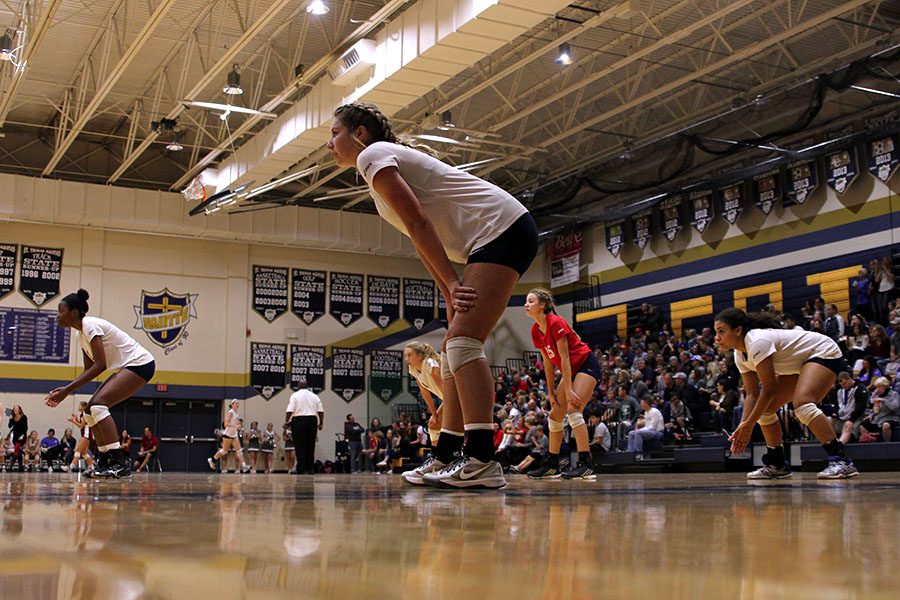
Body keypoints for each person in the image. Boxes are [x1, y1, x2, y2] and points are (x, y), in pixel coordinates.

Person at [329, 101, 538, 489]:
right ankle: (445, 455)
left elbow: (419, 221)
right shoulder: (378, 168)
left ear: (359, 135)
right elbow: (419, 240)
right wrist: (448, 289)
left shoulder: (372, 155)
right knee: (451, 352)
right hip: (494, 236)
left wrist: (453, 282)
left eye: (335, 133)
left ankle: (481, 460)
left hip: (501, 229)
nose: (330, 144)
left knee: (462, 343)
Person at [715, 308, 858, 479]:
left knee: (803, 405)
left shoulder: (757, 341)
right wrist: (743, 425)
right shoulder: (740, 355)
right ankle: (777, 464)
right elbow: (752, 395)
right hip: (800, 363)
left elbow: (769, 391)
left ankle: (841, 462)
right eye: (716, 332)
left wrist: (748, 425)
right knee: (765, 412)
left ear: (738, 330)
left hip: (823, 351)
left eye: (721, 331)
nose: (717, 338)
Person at [45, 289, 156, 479]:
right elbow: (90, 370)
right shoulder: (81, 335)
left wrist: (67, 391)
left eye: (61, 310)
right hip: (126, 367)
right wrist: (66, 389)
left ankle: (120, 463)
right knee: (89, 411)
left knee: (98, 406)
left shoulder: (90, 325)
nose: (58, 315)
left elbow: (101, 365)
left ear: (74, 312)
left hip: (140, 364)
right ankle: (105, 460)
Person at [524, 288, 601, 480]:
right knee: (554, 415)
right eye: (526, 301)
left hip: (585, 365)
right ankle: (552, 465)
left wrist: (567, 389)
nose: (526, 304)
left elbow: (565, 359)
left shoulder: (556, 323)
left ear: (543, 305)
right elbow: (549, 364)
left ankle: (586, 464)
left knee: (573, 409)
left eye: (531, 301)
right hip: (571, 371)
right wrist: (550, 392)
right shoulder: (536, 330)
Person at [400, 342, 447, 484]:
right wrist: (434, 413)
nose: (406, 358)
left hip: (457, 396)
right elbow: (424, 392)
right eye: (405, 356)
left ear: (420, 355)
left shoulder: (430, 364)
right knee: (433, 424)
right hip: (449, 398)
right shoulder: (413, 369)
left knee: (438, 426)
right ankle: (437, 461)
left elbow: (445, 389)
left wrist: (449, 408)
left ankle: (441, 462)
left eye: (409, 355)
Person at [284, 379, 323, 474]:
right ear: (307, 386)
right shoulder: (314, 396)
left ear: (298, 386)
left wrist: (286, 421)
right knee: (310, 445)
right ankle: (310, 468)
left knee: (300, 445)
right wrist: (321, 422)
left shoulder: (295, 395)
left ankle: (301, 468)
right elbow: (320, 411)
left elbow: (290, 410)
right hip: (312, 420)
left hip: (299, 420)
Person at [208, 401, 251, 473]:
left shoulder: (236, 413)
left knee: (239, 450)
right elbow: (226, 424)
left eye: (238, 403)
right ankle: (212, 460)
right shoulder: (230, 413)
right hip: (228, 434)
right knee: (224, 451)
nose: (237, 404)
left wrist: (238, 426)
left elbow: (235, 423)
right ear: (232, 405)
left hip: (234, 434)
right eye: (236, 403)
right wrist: (235, 426)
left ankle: (244, 466)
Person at [859, 377, 900, 442]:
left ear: (885, 386)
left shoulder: (894, 394)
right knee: (863, 425)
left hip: (891, 417)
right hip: (879, 418)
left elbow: (895, 408)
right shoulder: (877, 395)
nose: (878, 389)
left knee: (886, 426)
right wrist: (871, 415)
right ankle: (871, 442)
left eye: (880, 387)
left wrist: (884, 400)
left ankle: (887, 445)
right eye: (877, 387)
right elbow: (876, 410)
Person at [63, 401, 94, 473]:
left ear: (83, 407)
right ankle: (92, 467)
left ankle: (71, 466)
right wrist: (76, 419)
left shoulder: (85, 415)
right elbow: (81, 425)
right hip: (87, 435)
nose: (78, 407)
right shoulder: (82, 414)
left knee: (77, 450)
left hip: (86, 435)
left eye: (79, 405)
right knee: (84, 453)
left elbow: (80, 426)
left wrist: (73, 421)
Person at [7, 405, 28, 472]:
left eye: (16, 408)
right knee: (18, 452)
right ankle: (21, 467)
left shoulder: (23, 417)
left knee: (16, 451)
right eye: (14, 408)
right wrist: (10, 419)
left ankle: (10, 467)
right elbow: (10, 426)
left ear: (19, 410)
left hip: (21, 436)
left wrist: (23, 435)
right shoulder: (13, 417)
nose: (15, 409)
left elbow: (25, 428)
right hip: (15, 436)